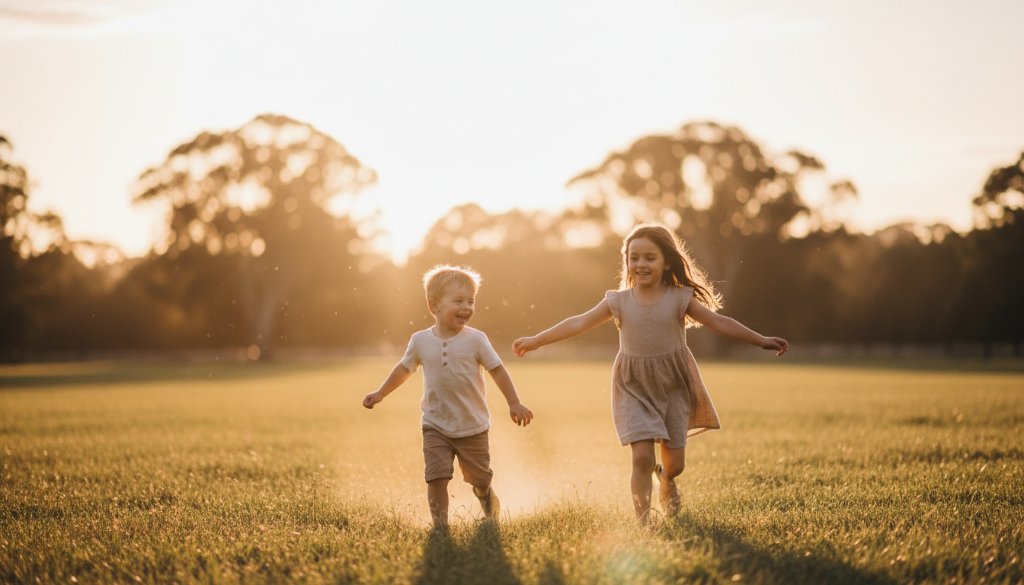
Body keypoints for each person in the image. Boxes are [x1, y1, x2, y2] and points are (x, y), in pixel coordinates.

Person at [512, 223, 788, 524]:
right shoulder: (618, 301)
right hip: (633, 386)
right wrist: (536, 340)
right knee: (642, 457)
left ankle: (667, 480)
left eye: (649, 258)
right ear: (626, 260)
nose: (640, 264)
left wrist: (760, 340)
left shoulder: (679, 298)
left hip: (673, 385)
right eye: (634, 258)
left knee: (675, 464)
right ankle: (644, 524)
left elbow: (718, 322)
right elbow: (578, 322)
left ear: (666, 261)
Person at [363, 264, 534, 530]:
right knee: (437, 477)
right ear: (434, 306)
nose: (467, 307)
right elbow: (403, 369)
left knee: (479, 478)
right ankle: (440, 527)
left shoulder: (476, 340)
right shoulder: (420, 341)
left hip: (472, 426)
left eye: (471, 301)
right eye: (458, 301)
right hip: (435, 425)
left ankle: (487, 498)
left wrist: (514, 402)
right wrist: (380, 393)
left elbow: (498, 370)